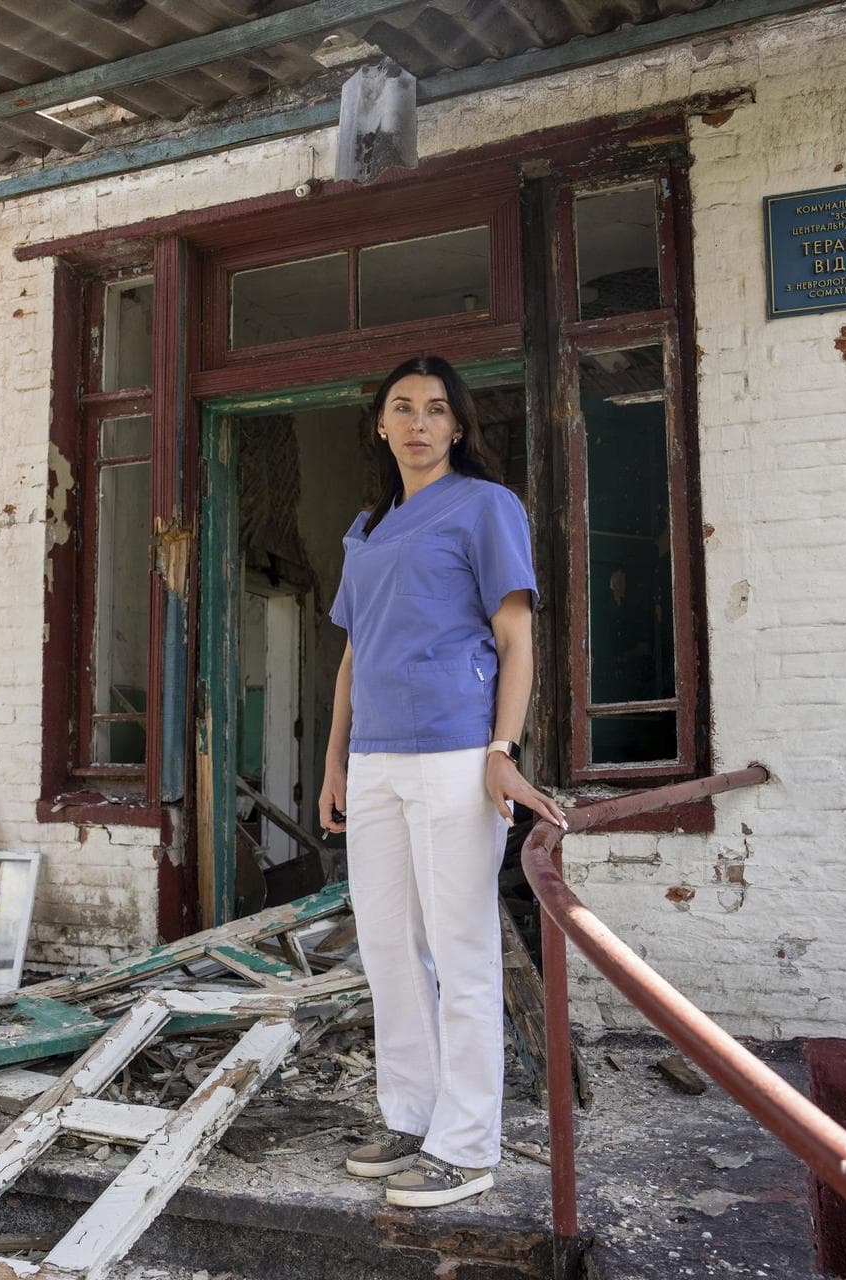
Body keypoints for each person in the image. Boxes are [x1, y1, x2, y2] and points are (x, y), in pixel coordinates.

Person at [319, 353, 566, 1209]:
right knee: (389, 946)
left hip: (457, 751)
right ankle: (410, 1115)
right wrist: (334, 760)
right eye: (402, 408)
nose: (418, 423)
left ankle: (466, 1146)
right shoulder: (367, 529)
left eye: (435, 410)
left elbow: (516, 638)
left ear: (457, 427)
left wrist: (503, 746)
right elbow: (354, 654)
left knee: (460, 950)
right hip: (377, 762)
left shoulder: (487, 508)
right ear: (381, 426)